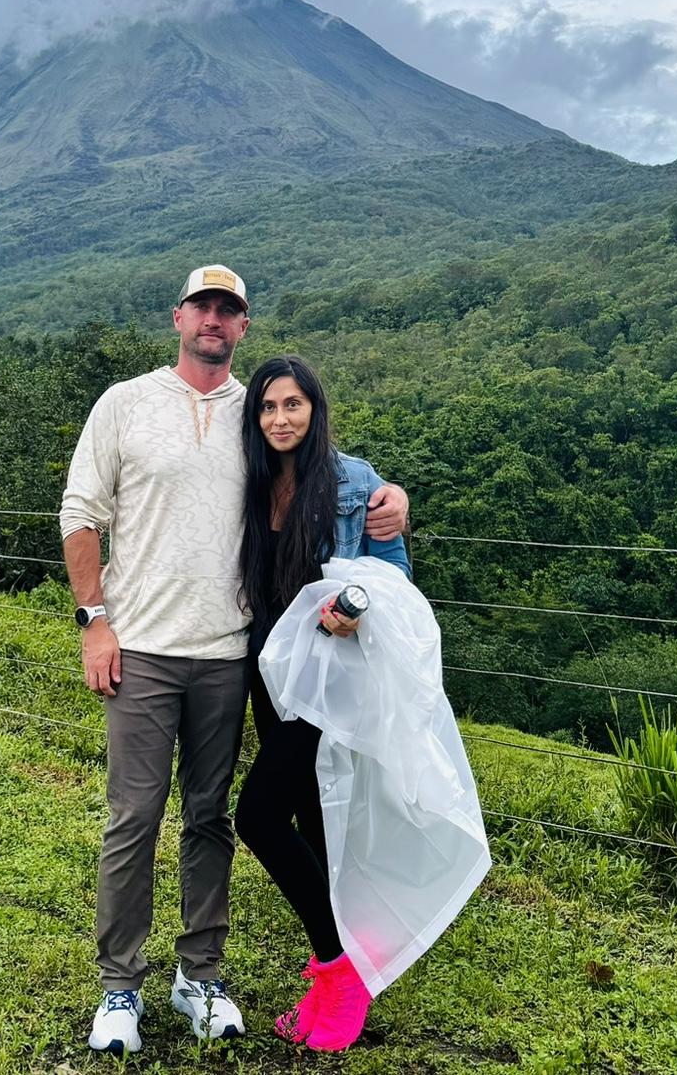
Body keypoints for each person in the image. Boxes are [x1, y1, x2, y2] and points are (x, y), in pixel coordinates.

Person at [60, 267, 408, 1056]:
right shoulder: (126, 403)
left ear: (243, 326)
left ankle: (200, 976)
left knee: (213, 817)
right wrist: (94, 623)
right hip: (142, 647)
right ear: (178, 316)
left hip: (231, 655)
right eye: (202, 307)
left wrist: (391, 496)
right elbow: (80, 515)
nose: (213, 320)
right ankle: (120, 986)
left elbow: (324, 466)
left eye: (229, 310)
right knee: (133, 819)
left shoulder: (252, 414)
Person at [233, 354, 411, 1052]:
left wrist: (355, 613)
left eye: (292, 405)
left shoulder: (354, 483)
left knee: (258, 816)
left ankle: (341, 971)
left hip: (326, 677)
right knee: (311, 820)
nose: (280, 419)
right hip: (268, 670)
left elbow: (391, 578)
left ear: (314, 409)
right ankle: (334, 975)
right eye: (267, 406)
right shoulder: (248, 478)